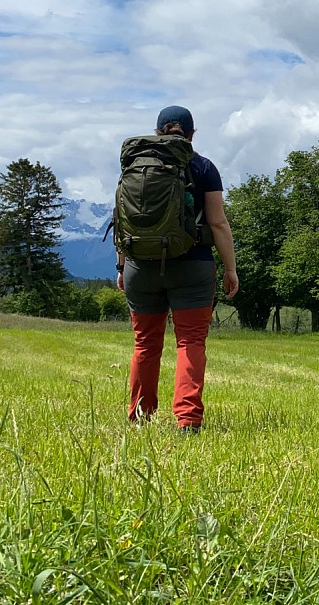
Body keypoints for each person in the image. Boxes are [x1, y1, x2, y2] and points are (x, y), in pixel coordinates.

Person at [117, 105, 239, 432]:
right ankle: (187, 420)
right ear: (192, 134)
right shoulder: (203, 167)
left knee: (145, 344)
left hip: (141, 267)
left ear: (157, 132)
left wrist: (121, 265)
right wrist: (230, 269)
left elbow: (124, 220)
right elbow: (217, 222)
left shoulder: (135, 165)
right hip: (193, 266)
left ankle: (140, 418)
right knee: (190, 342)